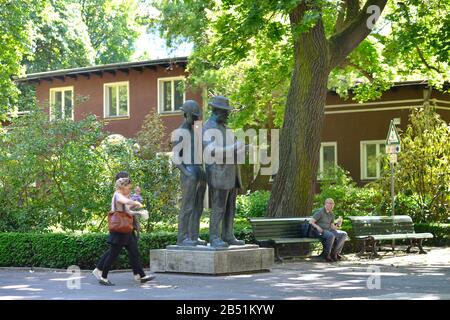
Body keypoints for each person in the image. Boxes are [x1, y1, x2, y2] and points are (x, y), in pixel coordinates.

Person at [202, 96, 246, 248]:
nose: (228, 114)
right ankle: (214, 237)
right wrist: (234, 148)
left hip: (231, 173)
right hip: (218, 173)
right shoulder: (207, 128)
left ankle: (228, 235)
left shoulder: (226, 128)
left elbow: (233, 148)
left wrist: (242, 149)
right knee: (218, 206)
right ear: (216, 111)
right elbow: (211, 150)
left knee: (230, 207)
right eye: (225, 112)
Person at [94, 177, 154, 286]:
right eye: (128, 188)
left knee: (134, 252)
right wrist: (135, 202)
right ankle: (103, 277)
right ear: (122, 186)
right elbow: (124, 201)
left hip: (126, 230)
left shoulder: (122, 195)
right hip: (119, 230)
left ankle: (142, 276)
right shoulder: (118, 195)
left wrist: (139, 213)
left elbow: (127, 211)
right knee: (113, 254)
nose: (129, 190)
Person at [173, 100, 207, 246]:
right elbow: (176, 158)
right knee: (187, 207)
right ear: (186, 114)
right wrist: (187, 173)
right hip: (190, 171)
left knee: (198, 207)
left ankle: (194, 236)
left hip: (200, 171)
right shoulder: (180, 132)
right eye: (193, 117)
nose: (195, 120)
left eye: (196, 117)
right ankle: (182, 237)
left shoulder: (195, 131)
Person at [309, 198, 347, 262]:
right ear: (326, 204)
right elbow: (311, 222)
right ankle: (327, 255)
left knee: (344, 234)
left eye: (333, 204)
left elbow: (332, 227)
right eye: (330, 203)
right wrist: (318, 227)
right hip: (319, 231)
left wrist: (338, 224)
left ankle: (335, 253)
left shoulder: (331, 214)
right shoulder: (320, 212)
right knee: (331, 235)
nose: (332, 205)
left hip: (329, 230)